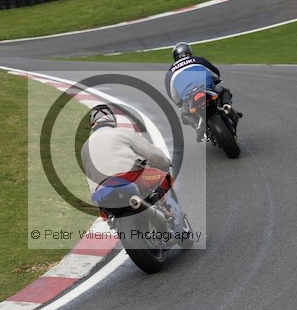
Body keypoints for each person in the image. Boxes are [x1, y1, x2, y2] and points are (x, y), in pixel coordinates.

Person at [80, 104, 185, 234]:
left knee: (109, 216)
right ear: (112, 119)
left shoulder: (84, 148)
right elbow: (153, 154)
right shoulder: (123, 132)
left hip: (100, 190)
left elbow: (89, 175)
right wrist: (165, 162)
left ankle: (117, 219)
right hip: (130, 177)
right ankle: (165, 210)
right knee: (165, 177)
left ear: (93, 124)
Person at [165, 41, 240, 141]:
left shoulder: (170, 72)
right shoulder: (199, 60)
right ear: (189, 52)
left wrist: (179, 103)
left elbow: (172, 94)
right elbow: (216, 73)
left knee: (185, 114)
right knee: (223, 91)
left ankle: (197, 126)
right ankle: (227, 106)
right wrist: (216, 80)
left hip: (189, 96)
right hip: (206, 88)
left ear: (175, 56)